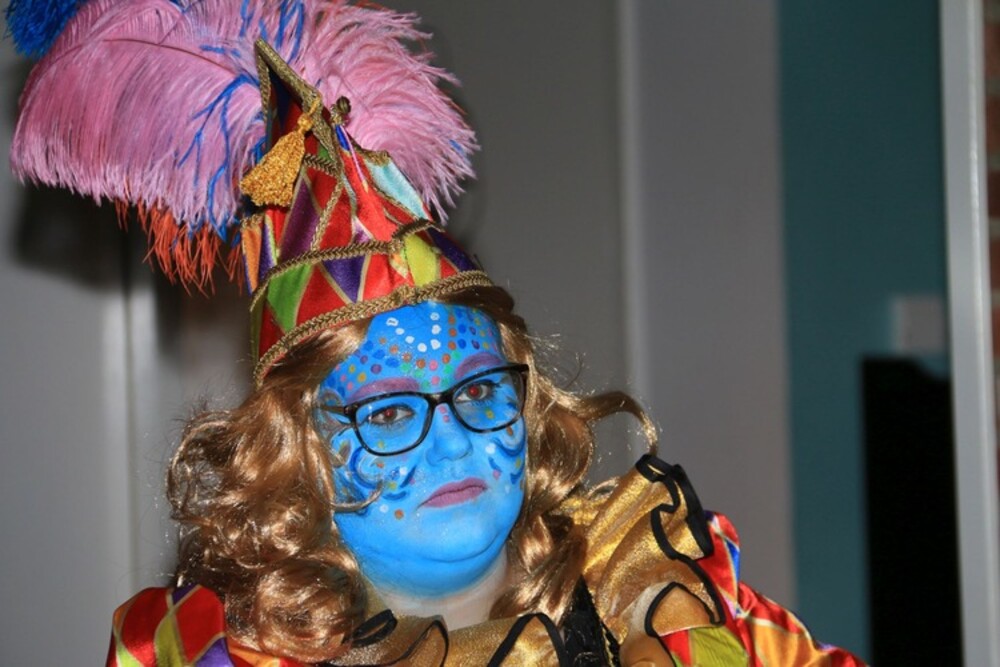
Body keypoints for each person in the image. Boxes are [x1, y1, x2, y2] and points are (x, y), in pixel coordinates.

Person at [9, 1, 865, 664]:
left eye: (481, 391)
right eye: (388, 412)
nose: (454, 441)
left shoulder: (674, 597)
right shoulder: (206, 652)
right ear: (298, 450)